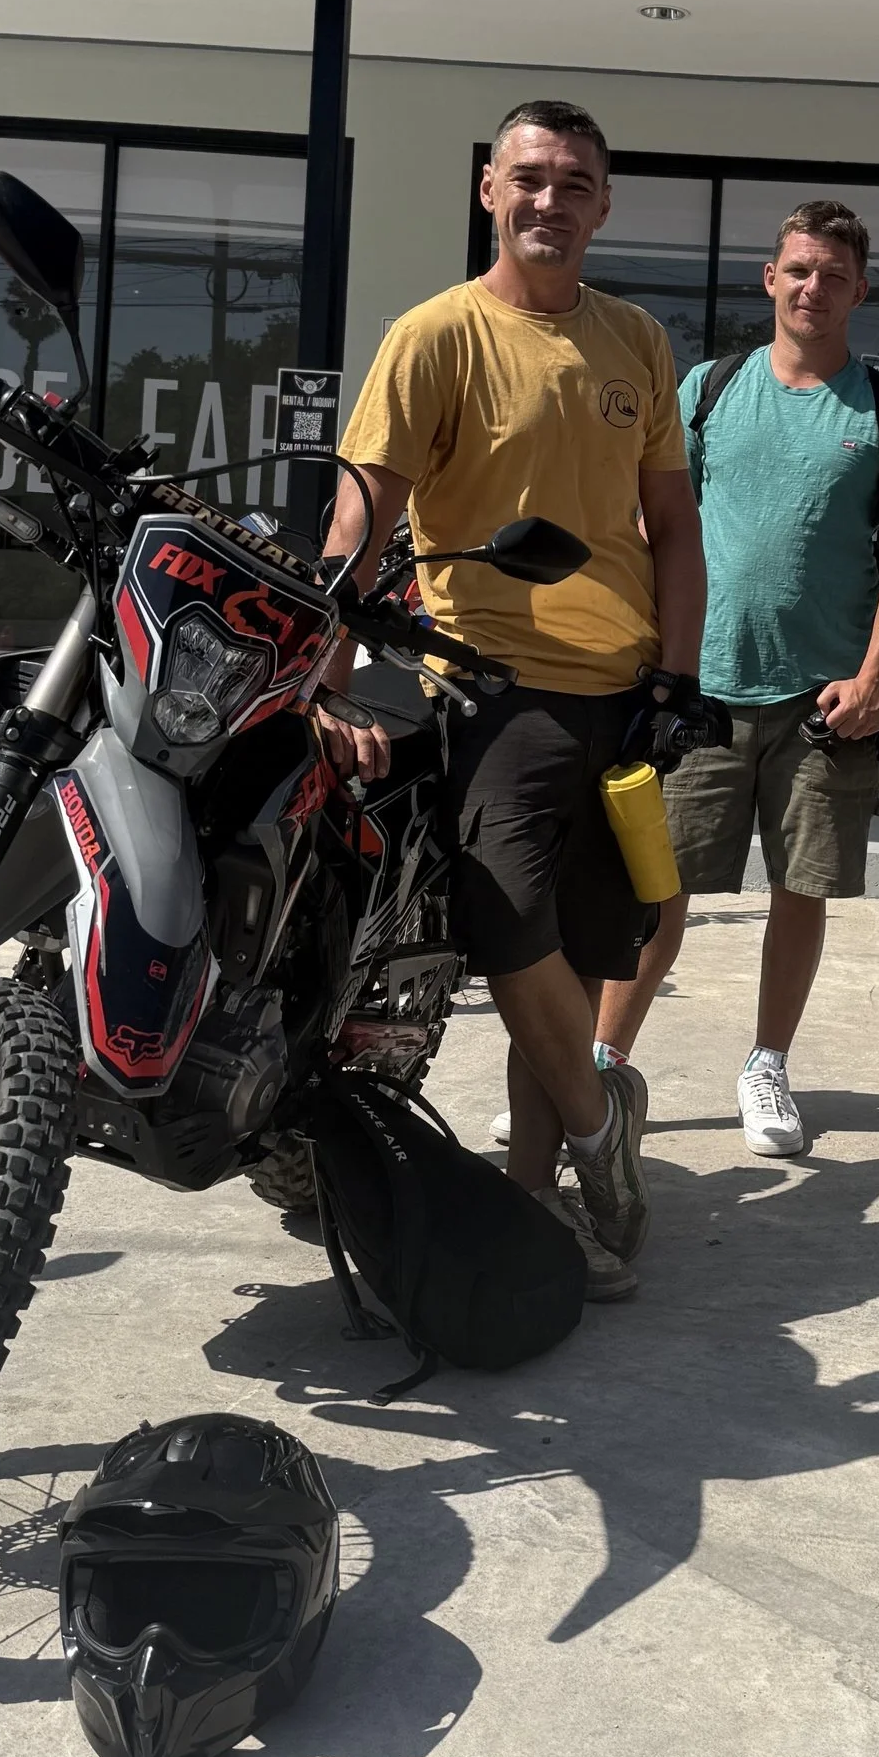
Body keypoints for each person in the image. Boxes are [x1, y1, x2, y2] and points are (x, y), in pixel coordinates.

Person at [317, 99, 708, 1300]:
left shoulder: (637, 341)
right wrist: (316, 682)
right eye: (529, 177)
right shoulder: (434, 336)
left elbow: (674, 529)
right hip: (487, 681)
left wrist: (678, 679)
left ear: (603, 203)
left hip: (625, 692)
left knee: (589, 952)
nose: (552, 200)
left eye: (576, 182)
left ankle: (546, 1213)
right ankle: (602, 1132)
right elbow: (360, 515)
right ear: (489, 190)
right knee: (508, 925)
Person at [595, 200, 879, 1153]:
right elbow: (651, 531)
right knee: (652, 891)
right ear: (770, 278)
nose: (813, 287)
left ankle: (767, 1067)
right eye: (799, 269)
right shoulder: (707, 390)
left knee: (802, 889)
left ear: (859, 292)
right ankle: (597, 1069)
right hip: (699, 688)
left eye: (834, 275)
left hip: (824, 700)